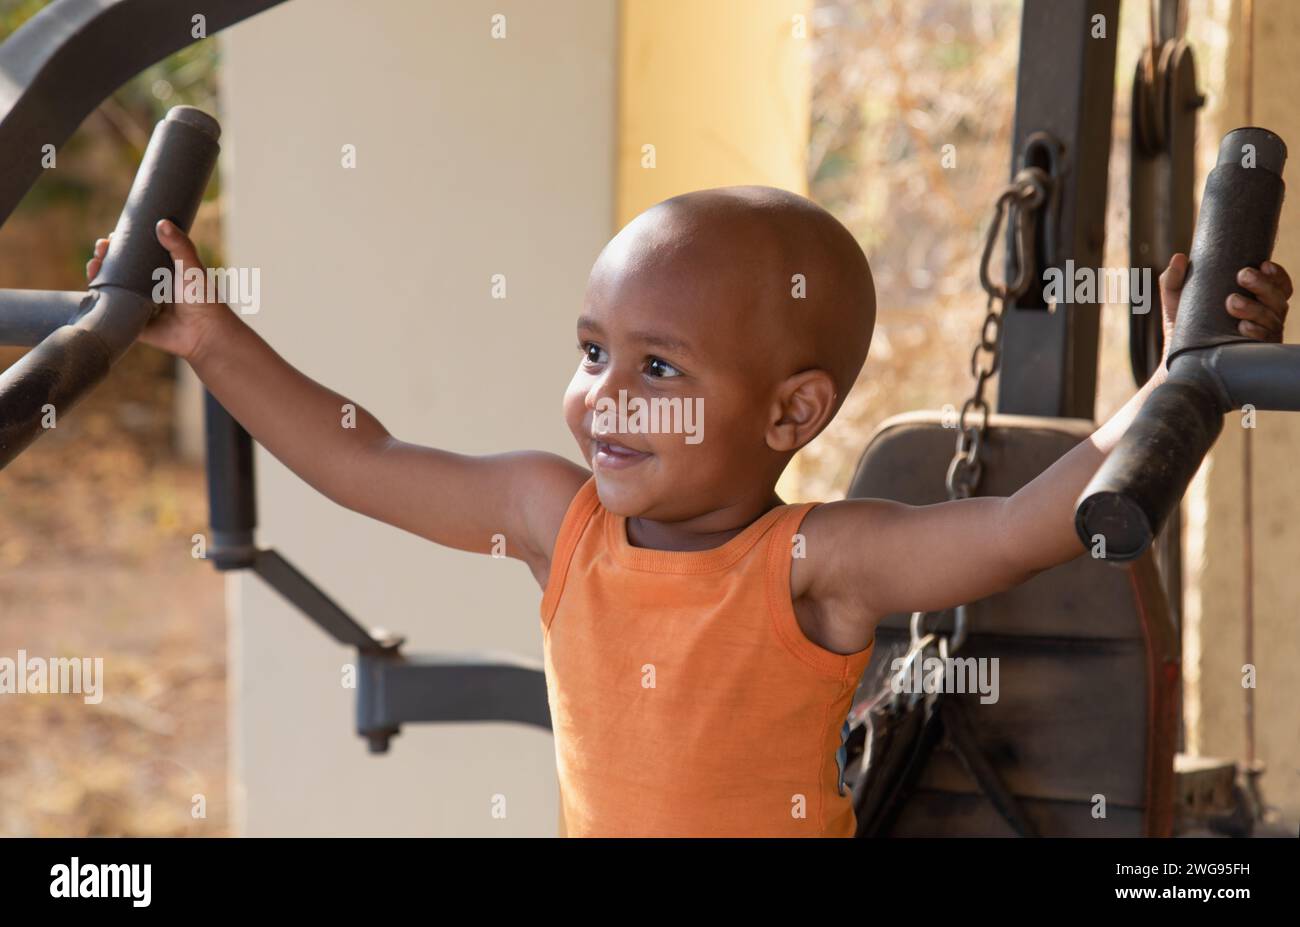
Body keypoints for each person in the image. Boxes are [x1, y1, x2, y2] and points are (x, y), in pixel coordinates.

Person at [87, 186, 1291, 836]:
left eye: (657, 371)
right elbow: (364, 458)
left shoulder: (818, 563)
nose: (603, 397)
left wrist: (1177, 378)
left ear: (788, 414)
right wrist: (210, 338)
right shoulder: (551, 516)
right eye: (591, 350)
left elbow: (1029, 524)